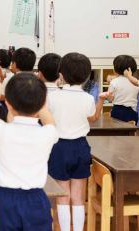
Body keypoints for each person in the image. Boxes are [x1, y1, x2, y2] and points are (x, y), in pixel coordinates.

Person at [0, 74, 58, 230]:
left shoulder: (2, 130)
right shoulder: (47, 134)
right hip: (36, 199)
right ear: (43, 103)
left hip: (5, 200)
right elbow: (50, 123)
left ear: (8, 104)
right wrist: (41, 106)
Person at [47, 52, 110, 231]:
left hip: (59, 147)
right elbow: (92, 118)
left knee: (63, 195)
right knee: (78, 196)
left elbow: (47, 119)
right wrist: (101, 100)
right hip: (80, 147)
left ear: (61, 75)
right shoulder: (88, 98)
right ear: (85, 77)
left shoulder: (52, 97)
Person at [108, 55, 139, 123]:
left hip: (117, 111)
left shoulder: (114, 82)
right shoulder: (136, 81)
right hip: (133, 111)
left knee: (118, 132)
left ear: (116, 69)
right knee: (131, 131)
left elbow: (110, 99)